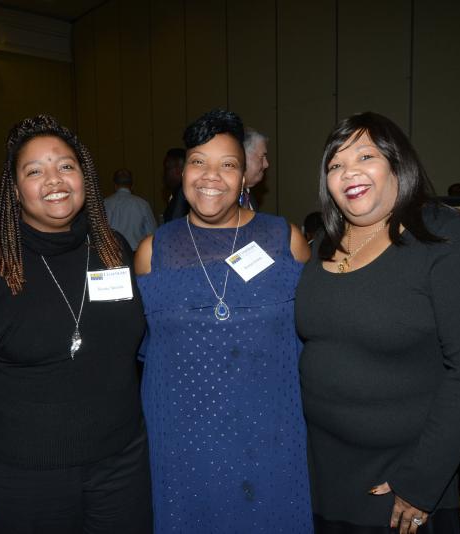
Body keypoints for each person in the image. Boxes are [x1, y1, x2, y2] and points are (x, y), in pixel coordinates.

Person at [0, 115, 152, 533]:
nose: (54, 180)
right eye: (34, 171)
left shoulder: (114, 249)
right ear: (15, 188)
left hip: (122, 463)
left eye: (65, 166)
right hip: (23, 475)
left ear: (85, 177)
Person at [296, 112, 460, 534]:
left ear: (397, 163)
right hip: (321, 463)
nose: (348, 171)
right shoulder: (322, 245)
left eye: (365, 156)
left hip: (397, 472)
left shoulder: (444, 238)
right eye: (335, 164)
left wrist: (422, 478)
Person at [135, 108, 313, 533]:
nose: (210, 176)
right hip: (182, 442)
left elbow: (316, 334)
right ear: (182, 171)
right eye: (199, 162)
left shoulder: (285, 240)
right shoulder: (152, 251)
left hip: (270, 436)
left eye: (227, 164)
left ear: (247, 175)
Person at [104, 168, 157, 250]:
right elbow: (152, 235)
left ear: (114, 185)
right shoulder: (143, 204)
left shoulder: (104, 204)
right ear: (132, 186)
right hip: (135, 254)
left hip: (112, 255)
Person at [240, 128, 269, 210]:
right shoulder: (223, 199)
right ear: (244, 156)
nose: (266, 164)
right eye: (262, 156)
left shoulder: (250, 198)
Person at [161, 147, 189, 222]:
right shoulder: (178, 193)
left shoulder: (183, 194)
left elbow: (174, 227)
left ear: (178, 170)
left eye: (167, 168)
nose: (165, 174)